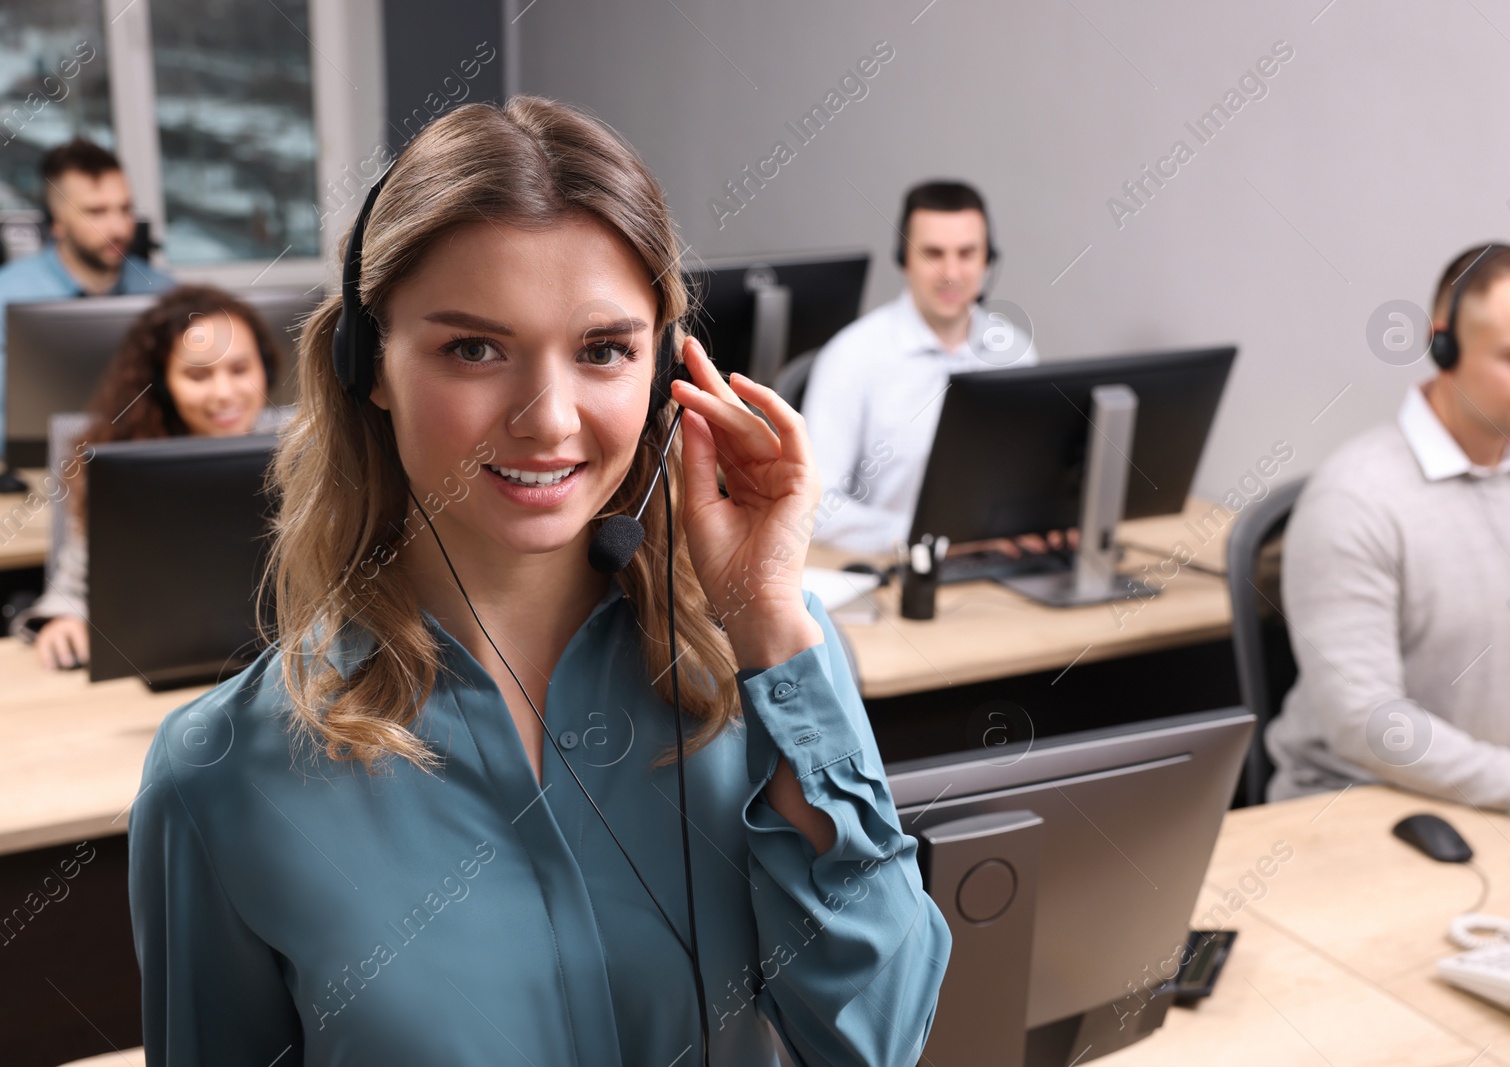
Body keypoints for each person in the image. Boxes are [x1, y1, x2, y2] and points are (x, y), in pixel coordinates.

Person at [128, 96, 950, 1065]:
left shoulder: (768, 670)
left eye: (603, 349)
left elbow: (880, 1040)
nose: (550, 419)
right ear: (369, 364)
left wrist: (769, 615)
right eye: (475, 348)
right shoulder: (221, 774)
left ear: (662, 370)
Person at [1266, 243, 1510, 826]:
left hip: (1497, 796)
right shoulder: (1354, 501)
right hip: (1351, 806)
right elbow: (1369, 725)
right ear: (1443, 346)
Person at [11, 284, 284, 669]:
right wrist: (64, 619)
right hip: (160, 674)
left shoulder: (309, 447)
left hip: (282, 671)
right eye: (198, 375)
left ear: (265, 368)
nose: (224, 393)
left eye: (240, 369)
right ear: (164, 384)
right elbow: (73, 586)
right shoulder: (125, 467)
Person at [801, 180, 1043, 555]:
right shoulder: (851, 357)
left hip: (1004, 565)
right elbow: (813, 510)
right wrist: (935, 541)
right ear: (904, 258)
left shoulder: (1014, 351)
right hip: (893, 571)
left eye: (966, 253)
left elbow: (1032, 479)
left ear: (987, 260)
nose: (951, 272)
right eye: (933, 253)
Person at [0, 138, 175, 450]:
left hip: (145, 458)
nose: (119, 227)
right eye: (97, 212)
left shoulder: (165, 293)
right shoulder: (8, 293)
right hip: (36, 471)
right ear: (57, 223)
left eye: (125, 209)